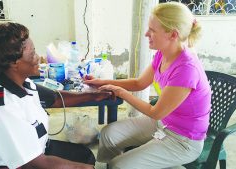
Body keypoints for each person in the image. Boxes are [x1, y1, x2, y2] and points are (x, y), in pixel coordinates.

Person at [84, 2, 211, 169]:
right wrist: (101, 82)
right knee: (108, 135)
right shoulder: (163, 54)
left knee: (120, 165)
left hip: (183, 140)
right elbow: (139, 83)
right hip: (163, 123)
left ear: (172, 35)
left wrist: (121, 92)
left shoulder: (187, 69)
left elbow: (155, 112)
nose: (146, 34)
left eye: (152, 30)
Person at [0, 22, 113, 169]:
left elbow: (55, 98)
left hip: (36, 151)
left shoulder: (17, 81)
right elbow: (37, 163)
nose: (39, 58)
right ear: (14, 63)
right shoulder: (3, 109)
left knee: (85, 155)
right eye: (32, 53)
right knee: (84, 165)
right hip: (14, 165)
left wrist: (93, 96)